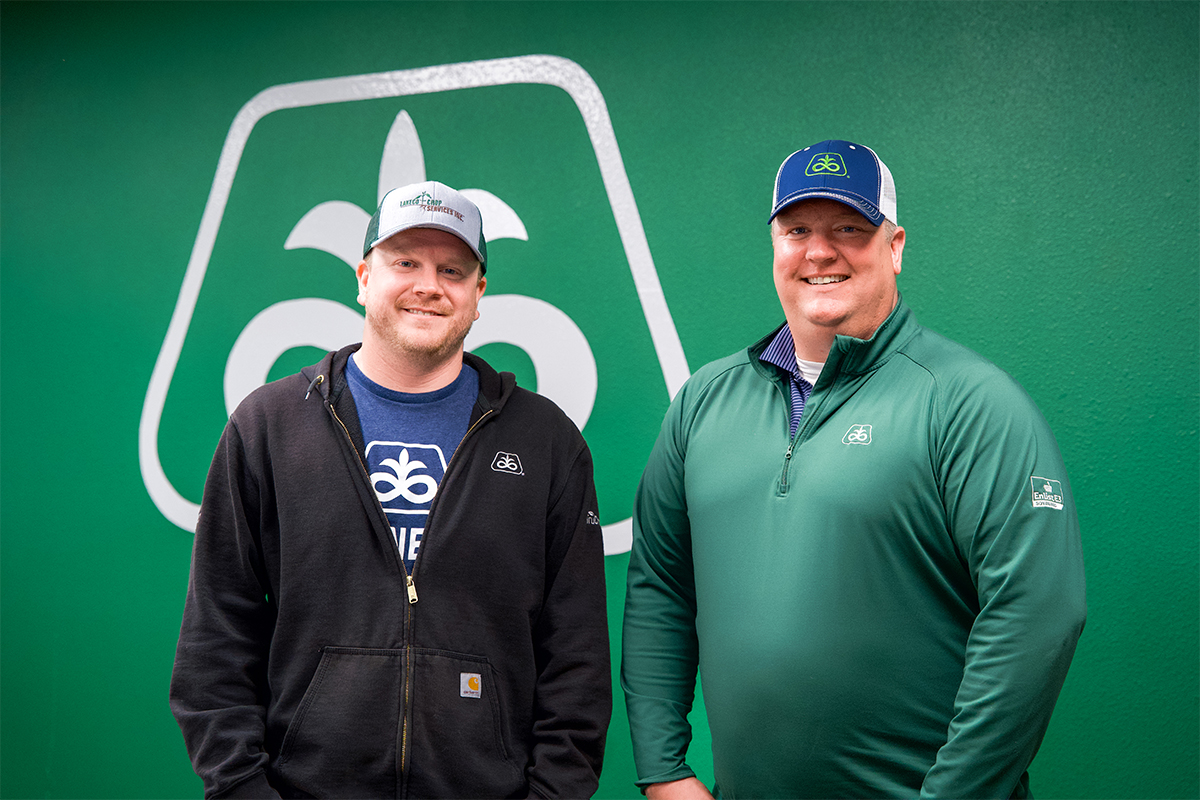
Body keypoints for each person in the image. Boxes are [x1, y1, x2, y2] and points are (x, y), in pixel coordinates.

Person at [621, 140, 1086, 799]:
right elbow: (660, 588)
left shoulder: (969, 401)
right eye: (798, 230)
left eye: (849, 229)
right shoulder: (702, 401)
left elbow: (1037, 612)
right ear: (775, 245)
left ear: (894, 246)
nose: (819, 251)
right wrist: (665, 772)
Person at [171, 181, 611, 798]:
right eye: (404, 262)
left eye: (452, 269)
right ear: (362, 277)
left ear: (478, 294)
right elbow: (216, 639)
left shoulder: (546, 443)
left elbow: (578, 657)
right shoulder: (268, 425)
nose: (428, 285)